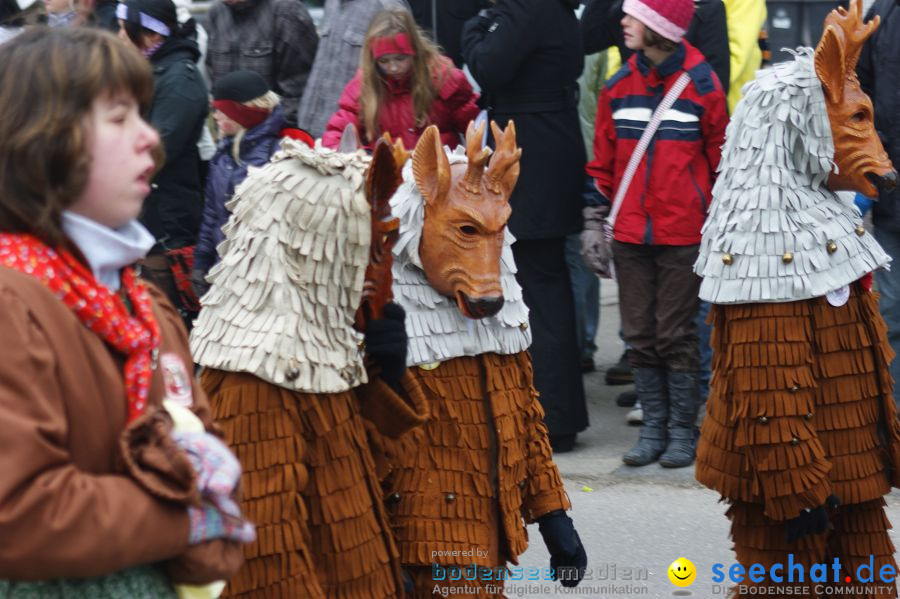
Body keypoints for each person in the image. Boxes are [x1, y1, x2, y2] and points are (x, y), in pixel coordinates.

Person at [0, 27, 253, 596]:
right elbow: (18, 513)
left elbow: (218, 475)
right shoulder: (10, 304)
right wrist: (187, 520)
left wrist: (203, 529)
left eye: (144, 115)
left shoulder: (148, 307)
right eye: (119, 119)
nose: (150, 140)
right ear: (41, 140)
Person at [190, 135, 429, 598]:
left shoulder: (317, 342)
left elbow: (367, 468)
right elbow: (266, 558)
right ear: (317, 245)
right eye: (370, 246)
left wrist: (388, 375)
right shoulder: (253, 378)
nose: (379, 271)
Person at [583, 0, 728, 468]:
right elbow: (602, 163)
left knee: (675, 334)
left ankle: (683, 432)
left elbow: (722, 162)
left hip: (682, 234)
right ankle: (654, 431)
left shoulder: (703, 84)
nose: (622, 21)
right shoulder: (618, 86)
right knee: (641, 335)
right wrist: (593, 221)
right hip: (629, 235)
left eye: (633, 15)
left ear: (658, 27)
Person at [462, 0, 588, 453]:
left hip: (534, 153)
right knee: (544, 282)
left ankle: (553, 414)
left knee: (539, 284)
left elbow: (487, 64)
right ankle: (554, 410)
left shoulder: (526, 8)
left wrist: (476, 26)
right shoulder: (547, 9)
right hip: (549, 143)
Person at [118, 0, 209, 329]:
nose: (119, 37)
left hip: (166, 221)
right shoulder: (150, 73)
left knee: (165, 322)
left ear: (150, 35)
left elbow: (157, 152)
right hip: (145, 216)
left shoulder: (179, 81)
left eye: (123, 29)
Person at [322, 9, 479, 150]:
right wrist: (335, 153)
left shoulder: (444, 79)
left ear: (415, 52)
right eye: (384, 61)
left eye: (400, 58)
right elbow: (340, 130)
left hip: (438, 173)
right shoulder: (364, 86)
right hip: (386, 174)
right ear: (373, 61)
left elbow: (476, 128)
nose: (393, 68)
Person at [192, 70, 288, 297]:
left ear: (242, 114)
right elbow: (212, 214)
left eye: (221, 111)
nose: (215, 116)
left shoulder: (280, 153)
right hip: (224, 269)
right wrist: (202, 262)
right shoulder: (224, 153)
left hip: (263, 279)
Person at [858, 0, 900, 408]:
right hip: (893, 197)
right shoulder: (883, 13)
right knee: (890, 312)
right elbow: (861, 96)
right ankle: (895, 421)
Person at [296, 0, 409, 139]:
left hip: (351, 140)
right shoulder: (332, 3)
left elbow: (402, 88)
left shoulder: (386, 6)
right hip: (312, 131)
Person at [581, 0, 731, 97]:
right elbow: (586, 41)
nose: (625, 22)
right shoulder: (627, 8)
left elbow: (715, 88)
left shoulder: (705, 9)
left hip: (683, 127)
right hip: (632, 114)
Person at [205, 0, 317, 127]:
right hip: (230, 135)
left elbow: (299, 90)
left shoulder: (287, 12)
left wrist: (271, 135)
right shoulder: (216, 13)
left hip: (274, 136)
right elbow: (214, 80)